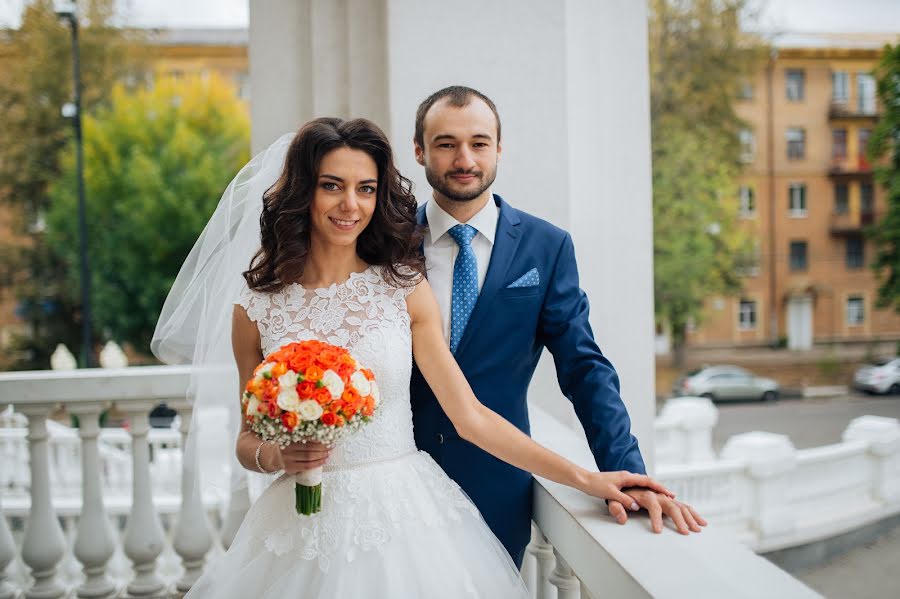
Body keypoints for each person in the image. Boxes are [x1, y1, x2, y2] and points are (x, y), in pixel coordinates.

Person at [163, 117, 674, 597]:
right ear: (303, 191)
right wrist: (278, 456)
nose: (350, 205)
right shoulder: (255, 307)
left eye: (365, 189)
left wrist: (587, 478)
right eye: (331, 185)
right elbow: (247, 441)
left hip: (405, 518)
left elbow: (470, 417)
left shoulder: (403, 288)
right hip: (299, 530)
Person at [408, 86, 706, 566]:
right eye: (446, 143)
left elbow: (583, 366)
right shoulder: (383, 243)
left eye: (479, 143)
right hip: (398, 483)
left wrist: (626, 471)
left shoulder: (547, 247)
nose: (464, 158)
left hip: (497, 487)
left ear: (499, 149)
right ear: (420, 150)